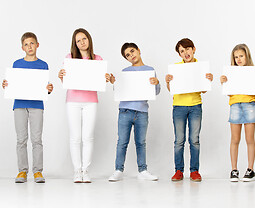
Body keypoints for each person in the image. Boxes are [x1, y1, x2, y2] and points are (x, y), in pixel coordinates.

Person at [58, 28, 110, 183]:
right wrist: (61, 76)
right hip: (73, 100)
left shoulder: (97, 59)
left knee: (88, 137)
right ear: (75, 43)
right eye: (78, 40)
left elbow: (100, 81)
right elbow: (65, 81)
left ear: (89, 40)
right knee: (75, 137)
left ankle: (85, 170)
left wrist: (105, 78)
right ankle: (77, 171)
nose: (82, 42)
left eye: (84, 39)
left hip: (90, 101)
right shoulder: (70, 58)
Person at [2, 32, 53, 183]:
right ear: (22, 47)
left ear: (37, 45)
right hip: (19, 105)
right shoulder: (16, 64)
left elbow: (44, 87)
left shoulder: (43, 65)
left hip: (37, 105)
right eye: (26, 44)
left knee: (37, 139)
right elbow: (12, 84)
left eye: (32, 43)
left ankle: (38, 171)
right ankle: (22, 172)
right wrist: (6, 85)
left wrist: (49, 89)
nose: (29, 46)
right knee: (21, 139)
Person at [108, 42, 160, 182]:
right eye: (128, 55)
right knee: (122, 142)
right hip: (125, 111)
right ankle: (118, 170)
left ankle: (142, 170)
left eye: (132, 51)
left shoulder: (150, 70)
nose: (131, 55)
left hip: (142, 112)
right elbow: (119, 92)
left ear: (138, 50)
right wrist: (114, 83)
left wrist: (156, 83)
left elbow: (155, 92)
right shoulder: (125, 72)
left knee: (141, 142)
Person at [165, 38, 213, 182]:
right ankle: (179, 170)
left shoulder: (200, 67)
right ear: (179, 55)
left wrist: (208, 80)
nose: (185, 52)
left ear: (193, 49)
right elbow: (171, 90)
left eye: (187, 49)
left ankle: (194, 171)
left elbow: (204, 90)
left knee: (194, 140)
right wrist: (168, 82)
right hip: (179, 107)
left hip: (195, 106)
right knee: (179, 140)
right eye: (182, 51)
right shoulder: (176, 68)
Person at [220, 44, 255, 182]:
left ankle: (250, 169)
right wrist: (224, 82)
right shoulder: (231, 73)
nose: (238, 59)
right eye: (236, 57)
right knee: (235, 139)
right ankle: (234, 170)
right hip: (235, 105)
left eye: (241, 56)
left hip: (250, 105)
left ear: (247, 56)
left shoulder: (253, 72)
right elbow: (228, 91)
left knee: (249, 139)